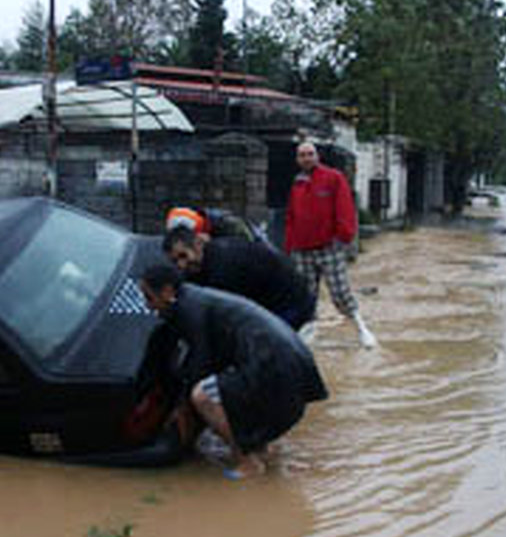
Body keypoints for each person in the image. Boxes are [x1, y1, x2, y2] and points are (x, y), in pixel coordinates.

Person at [138, 264, 328, 479]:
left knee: (202, 396)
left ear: (167, 291)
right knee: (223, 388)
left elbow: (202, 362)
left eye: (149, 297)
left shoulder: (189, 308)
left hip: (276, 365)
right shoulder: (195, 297)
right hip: (292, 359)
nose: (147, 305)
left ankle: (247, 461)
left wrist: (182, 406)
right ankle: (260, 450)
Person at [284, 141, 378, 349]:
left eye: (310, 154)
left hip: (329, 246)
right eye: (302, 155)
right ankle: (308, 333)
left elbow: (345, 209)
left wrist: (344, 238)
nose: (306, 158)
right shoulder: (297, 183)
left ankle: (362, 329)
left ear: (317, 156)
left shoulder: (333, 178)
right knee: (305, 294)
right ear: (297, 159)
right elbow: (291, 216)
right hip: (301, 249)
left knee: (339, 292)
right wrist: (289, 246)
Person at [162, 225, 316, 330]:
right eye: (175, 261)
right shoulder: (201, 265)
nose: (181, 265)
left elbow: (230, 317)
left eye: (183, 256)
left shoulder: (223, 265)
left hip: (291, 304)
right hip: (274, 302)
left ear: (198, 244)